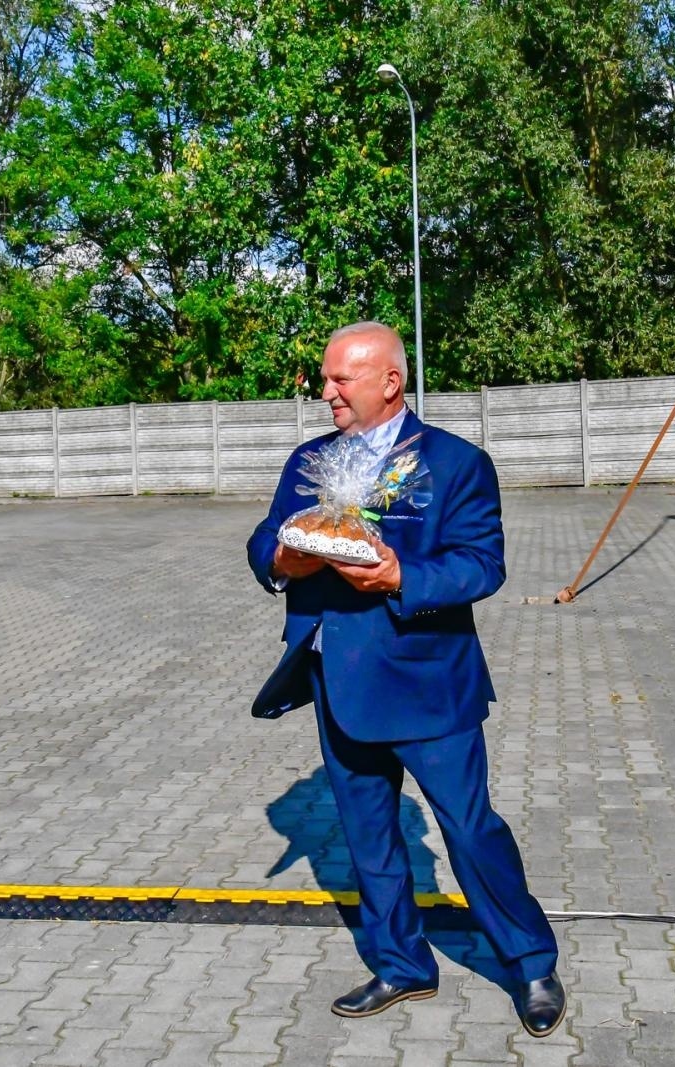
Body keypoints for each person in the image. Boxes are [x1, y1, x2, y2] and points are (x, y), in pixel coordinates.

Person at [246, 321, 567, 1037]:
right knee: (367, 833)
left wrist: (402, 574)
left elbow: (483, 563)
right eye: (325, 378)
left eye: (340, 379)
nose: (324, 391)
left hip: (427, 685)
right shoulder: (308, 461)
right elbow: (264, 540)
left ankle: (531, 961)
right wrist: (284, 560)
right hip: (339, 681)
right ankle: (401, 962)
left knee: (470, 828)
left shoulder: (455, 463)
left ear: (390, 382)